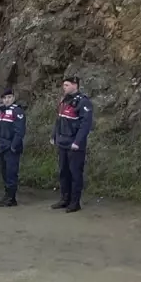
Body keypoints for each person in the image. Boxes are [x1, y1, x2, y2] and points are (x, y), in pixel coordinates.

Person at [51, 75, 94, 213]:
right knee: (63, 172)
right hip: (62, 142)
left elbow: (85, 125)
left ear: (75, 85)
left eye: (67, 85)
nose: (64, 88)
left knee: (75, 173)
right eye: (64, 85)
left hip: (74, 144)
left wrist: (77, 142)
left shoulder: (83, 102)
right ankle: (65, 198)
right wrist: (54, 136)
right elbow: (59, 120)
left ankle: (75, 202)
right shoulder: (64, 100)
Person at [0, 88, 26, 207]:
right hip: (2, 146)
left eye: (9, 97)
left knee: (11, 173)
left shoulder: (17, 111)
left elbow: (20, 131)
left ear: (13, 98)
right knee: (4, 172)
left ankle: (11, 198)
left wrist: (13, 146)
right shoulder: (2, 111)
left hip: (11, 147)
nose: (7, 100)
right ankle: (7, 195)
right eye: (4, 98)